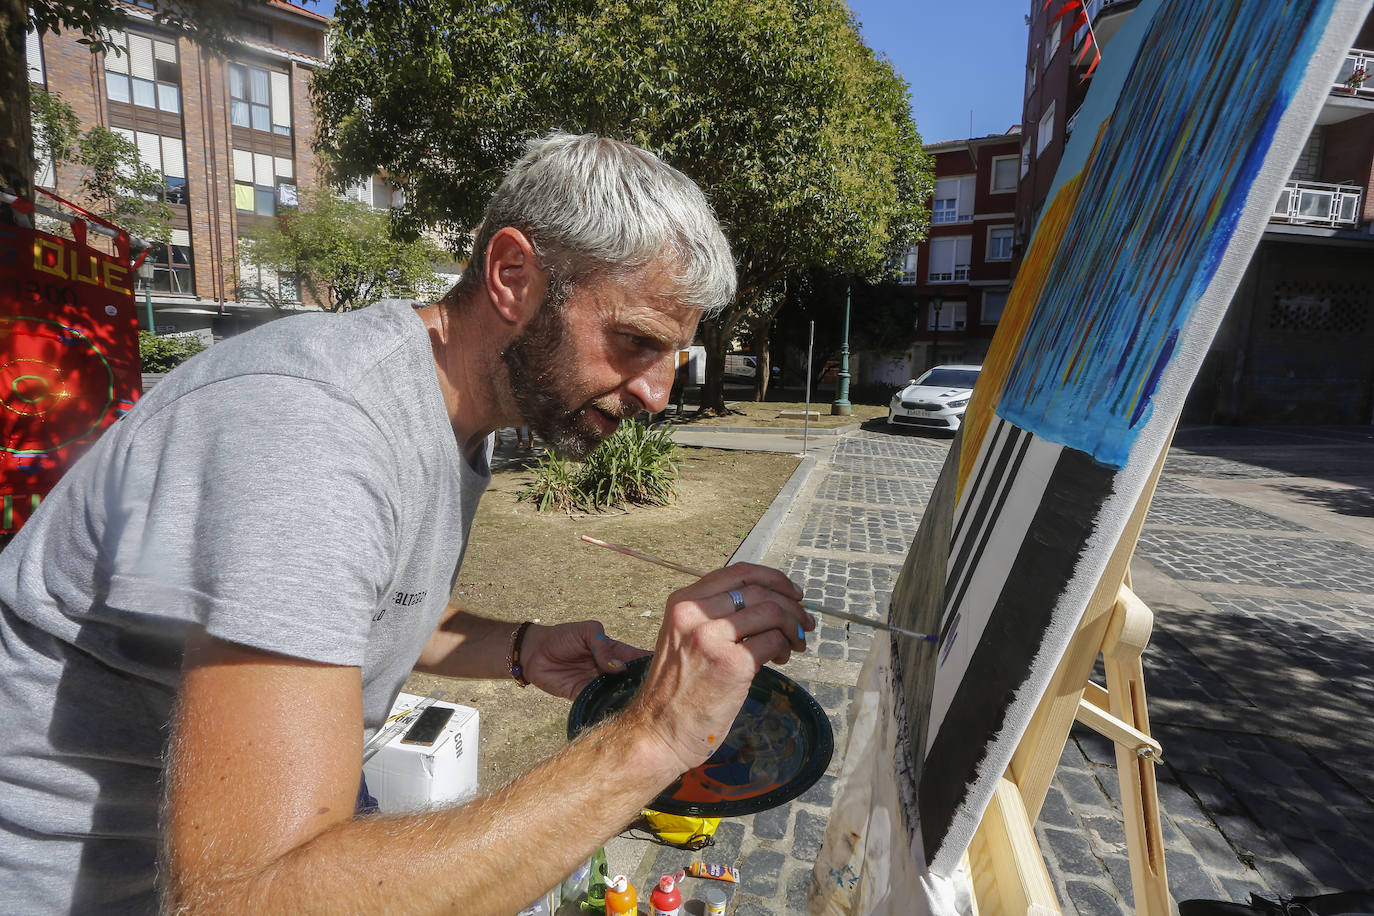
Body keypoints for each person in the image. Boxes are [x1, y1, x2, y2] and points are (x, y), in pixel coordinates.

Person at [0, 133, 814, 913]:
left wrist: (523, 648)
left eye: (676, 357)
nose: (657, 393)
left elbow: (347, 607)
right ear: (511, 274)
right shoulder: (313, 429)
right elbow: (247, 897)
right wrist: (654, 737)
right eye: (635, 341)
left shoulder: (452, 420)